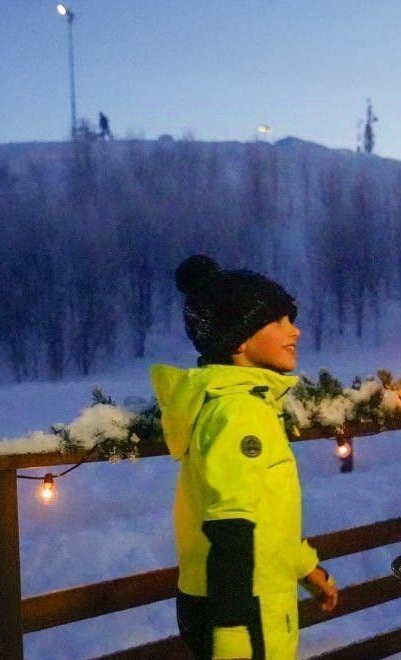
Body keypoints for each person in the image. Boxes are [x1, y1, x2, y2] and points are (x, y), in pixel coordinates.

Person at [151, 255, 338, 660]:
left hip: (243, 596)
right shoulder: (238, 412)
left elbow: (264, 516)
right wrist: (233, 631)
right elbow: (231, 529)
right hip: (243, 608)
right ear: (238, 339)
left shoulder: (244, 403)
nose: (296, 330)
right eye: (280, 321)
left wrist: (306, 568)